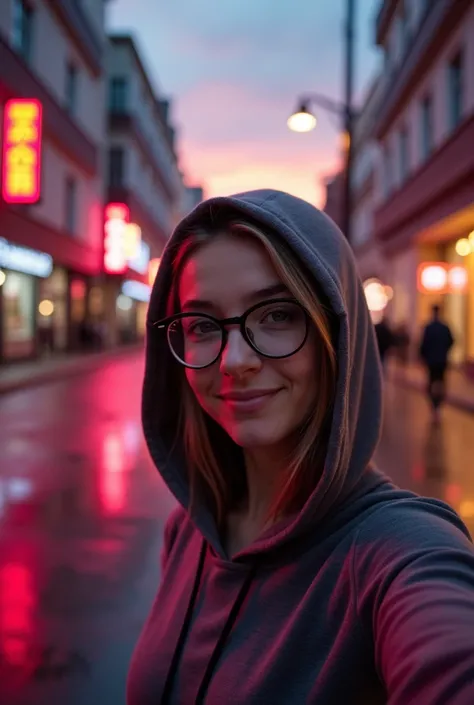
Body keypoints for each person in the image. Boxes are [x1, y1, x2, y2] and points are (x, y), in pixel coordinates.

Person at [128, 190, 474, 705]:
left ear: (335, 330)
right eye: (202, 325)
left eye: (276, 315)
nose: (234, 359)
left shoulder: (399, 554)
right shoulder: (191, 527)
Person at [419, 304, 454, 422]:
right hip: (442, 360)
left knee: (431, 382)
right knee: (441, 382)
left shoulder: (429, 328)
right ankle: (438, 405)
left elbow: (423, 344)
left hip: (431, 361)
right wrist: (445, 351)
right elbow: (451, 341)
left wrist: (423, 356)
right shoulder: (445, 327)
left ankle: (434, 405)